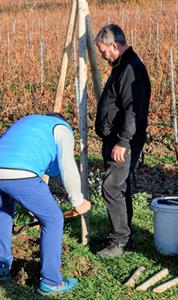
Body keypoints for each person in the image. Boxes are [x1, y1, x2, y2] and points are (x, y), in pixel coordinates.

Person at [0, 113, 92, 297]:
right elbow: (66, 165)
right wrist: (78, 201)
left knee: (4, 212)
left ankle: (1, 268)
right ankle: (52, 282)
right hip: (20, 172)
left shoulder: (29, 121)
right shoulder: (61, 128)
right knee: (54, 219)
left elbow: (46, 164)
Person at [94, 24, 151, 257]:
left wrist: (123, 142)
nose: (103, 56)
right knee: (119, 186)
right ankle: (121, 235)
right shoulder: (122, 65)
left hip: (122, 140)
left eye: (104, 51)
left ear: (115, 45)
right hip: (117, 138)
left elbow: (132, 110)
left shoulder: (129, 68)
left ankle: (120, 241)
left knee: (112, 186)